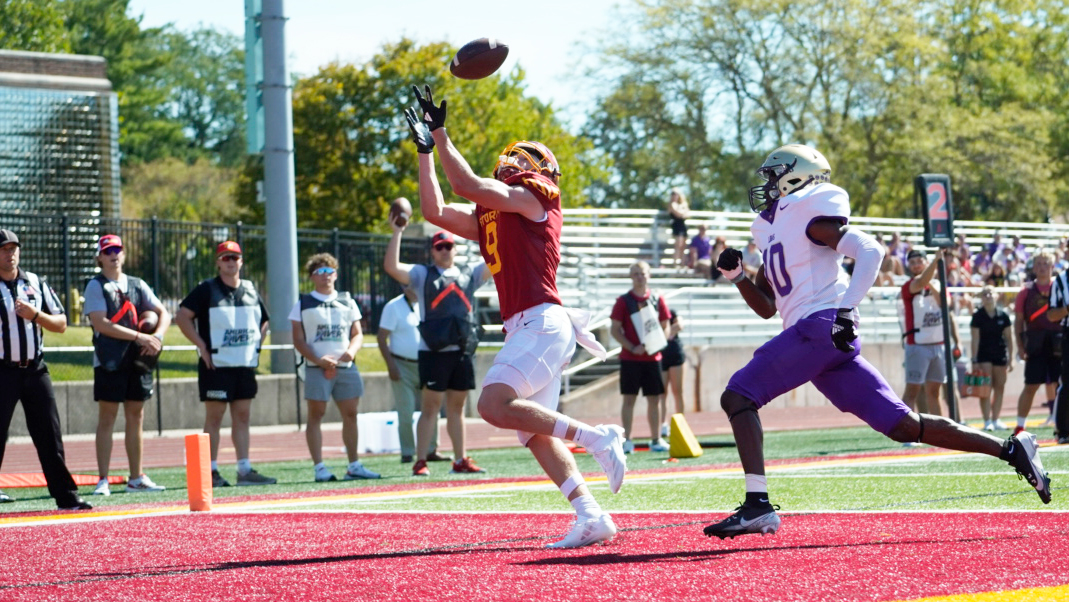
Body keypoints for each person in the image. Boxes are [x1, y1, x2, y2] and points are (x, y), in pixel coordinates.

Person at [704, 144, 1051, 540]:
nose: (766, 186)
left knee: (738, 396)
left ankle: (757, 506)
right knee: (904, 425)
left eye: (773, 176)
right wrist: (738, 277)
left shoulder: (807, 211)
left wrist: (847, 309)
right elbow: (768, 307)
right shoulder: (772, 228)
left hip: (820, 329)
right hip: (818, 340)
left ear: (796, 176)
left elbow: (871, 249)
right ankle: (1011, 449)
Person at [403, 84, 627, 548]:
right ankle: (591, 515)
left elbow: (465, 185)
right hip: (529, 324)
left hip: (542, 320)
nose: (513, 163)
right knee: (532, 432)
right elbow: (437, 209)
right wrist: (426, 151)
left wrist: (441, 134)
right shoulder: (498, 210)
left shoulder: (534, 198)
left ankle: (598, 437)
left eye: (522, 160)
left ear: (538, 170)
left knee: (491, 406)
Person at [385, 225, 489, 477]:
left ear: (455, 249)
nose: (444, 250)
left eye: (449, 246)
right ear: (432, 251)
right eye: (439, 246)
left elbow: (496, 259)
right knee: (430, 407)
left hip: (461, 349)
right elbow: (391, 267)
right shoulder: (422, 274)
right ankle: (420, 460)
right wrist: (397, 231)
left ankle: (460, 458)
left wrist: (491, 225)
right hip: (433, 351)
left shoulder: (469, 274)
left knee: (457, 408)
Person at [0, 229, 92, 510]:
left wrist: (35, 315)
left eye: (14, 248)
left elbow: (62, 323)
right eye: (5, 249)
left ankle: (66, 496)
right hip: (3, 371)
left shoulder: (36, 283)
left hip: (36, 370)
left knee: (49, 435)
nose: (11, 253)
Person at [174, 241, 276, 487]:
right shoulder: (206, 289)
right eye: (226, 257)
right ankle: (210, 471)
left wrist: (257, 345)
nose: (231, 261)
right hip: (216, 365)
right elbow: (182, 316)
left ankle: (244, 470)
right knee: (215, 417)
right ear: (218, 262)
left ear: (241, 261)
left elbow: (264, 320)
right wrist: (201, 345)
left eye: (235, 257)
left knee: (242, 416)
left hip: (243, 365)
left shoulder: (251, 289)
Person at [84, 234, 171, 496]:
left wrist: (156, 337)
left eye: (117, 250)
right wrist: (139, 336)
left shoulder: (137, 283)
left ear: (123, 254)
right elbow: (100, 323)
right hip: (109, 359)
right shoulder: (95, 285)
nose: (113, 255)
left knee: (136, 415)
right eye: (108, 251)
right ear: (99, 257)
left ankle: (136, 477)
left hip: (137, 359)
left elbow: (163, 312)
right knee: (107, 417)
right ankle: (103, 479)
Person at [290, 253, 380, 482]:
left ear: (336, 274)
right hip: (315, 368)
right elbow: (298, 340)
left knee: (351, 414)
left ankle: (354, 465)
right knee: (316, 415)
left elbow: (357, 333)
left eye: (329, 271)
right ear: (312, 277)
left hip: (345, 367)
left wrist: (351, 352)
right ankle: (319, 467)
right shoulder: (303, 303)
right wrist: (318, 360)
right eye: (320, 272)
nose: (325, 276)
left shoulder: (347, 301)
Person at [376, 283, 442, 463]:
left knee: (431, 408)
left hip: (427, 363)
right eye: (408, 286)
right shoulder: (393, 306)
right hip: (402, 364)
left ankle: (431, 449)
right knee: (405, 410)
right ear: (403, 287)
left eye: (415, 285)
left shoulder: (429, 304)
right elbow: (381, 337)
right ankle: (407, 451)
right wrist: (391, 365)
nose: (412, 289)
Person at [610, 261, 671, 452]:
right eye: (635, 273)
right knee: (629, 400)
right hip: (630, 359)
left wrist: (658, 343)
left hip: (653, 359)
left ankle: (656, 439)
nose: (639, 276)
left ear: (649, 275)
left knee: (655, 399)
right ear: (631, 276)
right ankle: (627, 440)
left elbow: (665, 325)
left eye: (642, 273)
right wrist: (631, 347)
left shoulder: (657, 298)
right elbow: (614, 330)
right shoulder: (623, 301)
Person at [901, 249, 961, 418]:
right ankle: (907, 431)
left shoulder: (939, 284)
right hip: (917, 346)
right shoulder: (908, 286)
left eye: (919, 261)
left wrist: (933, 281)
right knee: (912, 390)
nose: (916, 265)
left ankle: (941, 429)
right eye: (912, 263)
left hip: (938, 345)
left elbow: (944, 303)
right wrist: (936, 261)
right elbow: (919, 283)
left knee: (934, 391)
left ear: (926, 263)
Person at [1013, 250, 1059, 436]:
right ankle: (1020, 425)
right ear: (1033, 267)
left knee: (1061, 385)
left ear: (1052, 266)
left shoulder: (1060, 286)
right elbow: (1018, 321)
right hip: (1035, 341)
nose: (1042, 267)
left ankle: (1060, 422)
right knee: (1031, 385)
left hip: (1058, 341)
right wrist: (1020, 345)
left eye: (1045, 263)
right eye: (1038, 263)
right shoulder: (1026, 291)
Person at [970, 286, 1013, 431]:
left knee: (999, 387)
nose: (988, 296)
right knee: (985, 389)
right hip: (984, 355)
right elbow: (975, 339)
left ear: (996, 296)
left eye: (990, 293)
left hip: (1000, 354)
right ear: (981, 297)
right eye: (985, 294)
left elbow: (1009, 338)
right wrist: (974, 360)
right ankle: (987, 420)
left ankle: (996, 419)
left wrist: (1011, 358)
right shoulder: (978, 316)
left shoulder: (1003, 315)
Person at [1047, 262, 1069, 444]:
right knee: (1067, 383)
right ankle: (1063, 430)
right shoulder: (1061, 281)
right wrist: (1067, 309)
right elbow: (1051, 314)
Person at [659, 308, 686, 438]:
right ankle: (663, 424)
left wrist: (664, 332)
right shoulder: (652, 313)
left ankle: (681, 424)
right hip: (660, 355)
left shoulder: (671, 312)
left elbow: (680, 325)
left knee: (677, 391)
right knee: (662, 393)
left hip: (675, 353)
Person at [667, 187, 690, 270]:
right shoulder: (671, 204)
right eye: (673, 193)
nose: (674, 195)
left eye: (676, 194)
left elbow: (687, 213)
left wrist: (682, 211)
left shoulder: (682, 204)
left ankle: (682, 263)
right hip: (676, 226)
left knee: (683, 245)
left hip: (683, 226)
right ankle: (675, 263)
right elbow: (678, 214)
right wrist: (682, 210)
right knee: (678, 245)